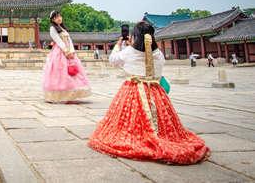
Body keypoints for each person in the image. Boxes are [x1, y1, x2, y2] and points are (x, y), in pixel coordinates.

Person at [88, 21, 210, 164]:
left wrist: (118, 45)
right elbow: (159, 65)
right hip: (155, 91)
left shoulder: (129, 51)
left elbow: (113, 60)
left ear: (134, 37)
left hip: (134, 90)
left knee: (131, 118)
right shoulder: (158, 53)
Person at [42, 11, 91, 103]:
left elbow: (69, 40)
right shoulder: (53, 29)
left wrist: (72, 50)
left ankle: (70, 93)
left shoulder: (63, 28)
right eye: (56, 17)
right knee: (60, 71)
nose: (59, 18)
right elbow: (57, 40)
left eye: (60, 16)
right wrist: (66, 51)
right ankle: (59, 93)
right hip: (59, 51)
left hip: (69, 51)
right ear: (52, 19)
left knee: (72, 71)